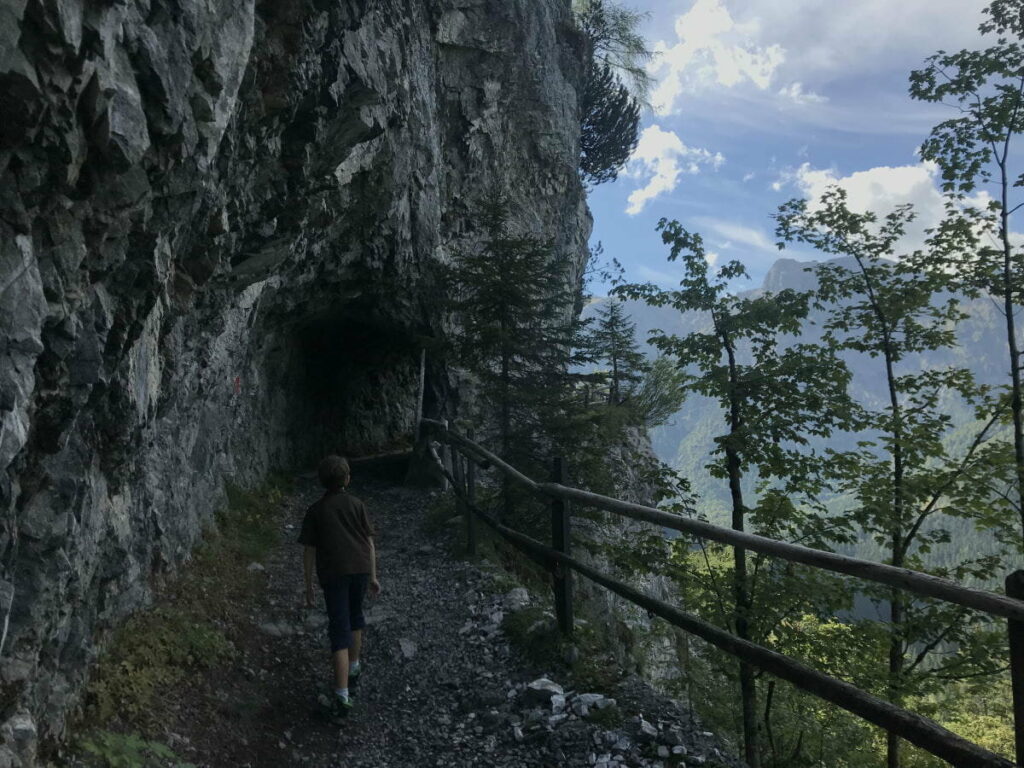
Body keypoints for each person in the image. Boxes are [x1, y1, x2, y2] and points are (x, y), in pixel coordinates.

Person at [298, 455, 381, 714]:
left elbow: (309, 551)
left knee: (339, 629)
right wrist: (374, 575)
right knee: (356, 617)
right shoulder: (357, 504)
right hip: (360, 569)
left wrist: (309, 585)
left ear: (321, 481)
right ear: (347, 479)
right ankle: (354, 667)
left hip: (333, 574)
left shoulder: (316, 511)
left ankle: (342, 695)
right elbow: (369, 542)